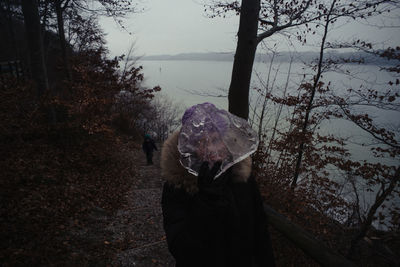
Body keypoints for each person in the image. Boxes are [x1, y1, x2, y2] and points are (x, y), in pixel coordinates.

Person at [160, 104, 275, 267]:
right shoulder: (178, 185)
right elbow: (181, 249)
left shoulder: (241, 178)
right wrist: (206, 204)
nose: (211, 149)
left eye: (215, 140)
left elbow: (260, 232)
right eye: (202, 142)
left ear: (226, 140)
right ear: (191, 148)